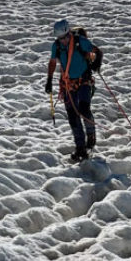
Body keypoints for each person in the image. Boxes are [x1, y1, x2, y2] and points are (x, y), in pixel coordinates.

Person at [46, 19, 101, 161]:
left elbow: (97, 51)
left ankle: (91, 134)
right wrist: (49, 80)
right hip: (68, 84)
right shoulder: (56, 46)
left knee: (83, 108)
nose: (63, 40)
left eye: (65, 37)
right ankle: (80, 148)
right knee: (72, 116)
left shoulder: (80, 42)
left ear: (69, 33)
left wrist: (96, 63)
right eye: (60, 38)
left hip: (84, 80)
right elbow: (52, 63)